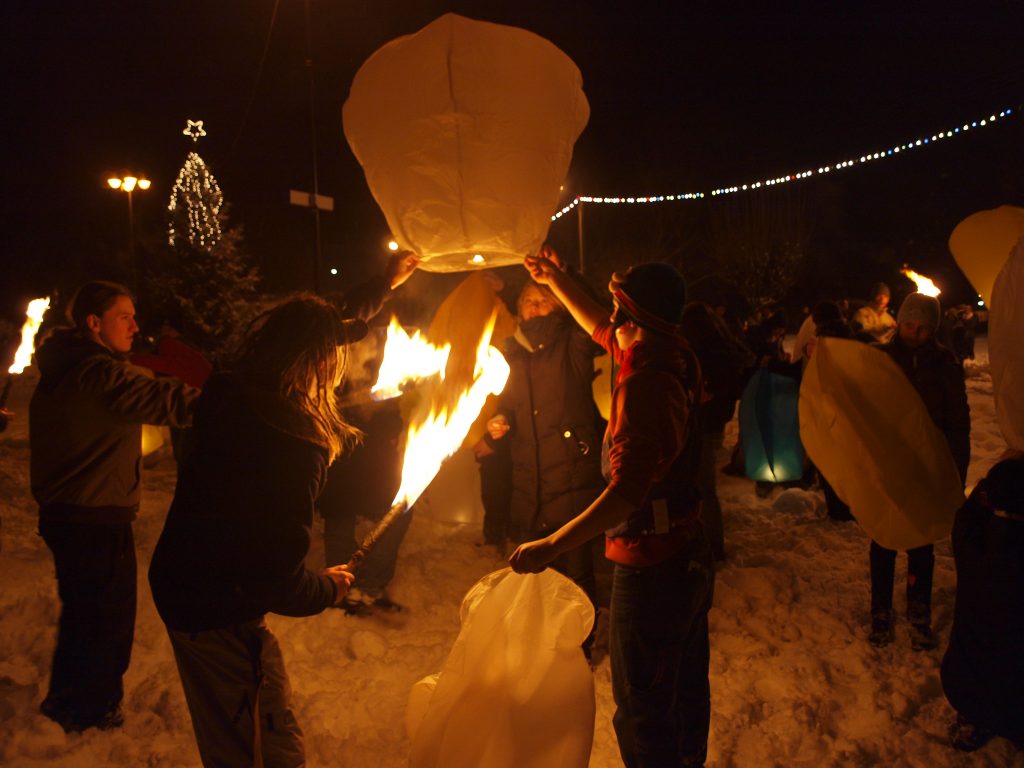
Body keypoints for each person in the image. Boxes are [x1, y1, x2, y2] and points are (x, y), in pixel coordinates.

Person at [510, 257, 713, 768]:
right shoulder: (671, 350)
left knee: (644, 706)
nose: (614, 326)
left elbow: (626, 494)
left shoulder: (647, 385)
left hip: (653, 565)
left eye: (624, 316)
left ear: (641, 325)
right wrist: (555, 279)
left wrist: (551, 545)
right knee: (685, 687)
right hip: (687, 551)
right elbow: (602, 325)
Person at [148, 295, 364, 767]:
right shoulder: (292, 443)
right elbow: (276, 580)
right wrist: (327, 588)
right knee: (263, 751)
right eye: (333, 354)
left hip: (187, 587)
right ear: (318, 360)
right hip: (217, 607)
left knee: (237, 734)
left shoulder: (230, 394)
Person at [29, 280, 199, 733]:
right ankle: (91, 712)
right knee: (106, 621)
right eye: (124, 316)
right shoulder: (97, 372)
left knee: (85, 614)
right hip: (92, 516)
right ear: (94, 323)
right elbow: (164, 400)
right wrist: (232, 403)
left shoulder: (69, 366)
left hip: (77, 512)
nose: (134, 325)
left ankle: (69, 701)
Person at [488, 246, 606, 635]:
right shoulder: (511, 353)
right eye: (528, 301)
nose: (534, 307)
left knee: (575, 573)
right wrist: (500, 419)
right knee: (532, 576)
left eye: (543, 300)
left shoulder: (572, 344)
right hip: (528, 478)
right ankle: (538, 644)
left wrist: (563, 274)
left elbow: (596, 316)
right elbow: (506, 402)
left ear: (558, 306)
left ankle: (579, 646)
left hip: (571, 475)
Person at [868, 292, 970, 650]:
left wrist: (957, 469)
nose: (915, 333)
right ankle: (880, 608)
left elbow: (958, 421)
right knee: (883, 537)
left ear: (933, 329)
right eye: (910, 325)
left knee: (920, 542)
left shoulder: (944, 364)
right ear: (900, 322)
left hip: (928, 464)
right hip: (888, 462)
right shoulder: (879, 358)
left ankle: (919, 606)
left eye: (923, 328)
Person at [940, 452, 1024, 752]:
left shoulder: (971, 544)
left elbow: (965, 515)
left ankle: (974, 720)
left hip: (963, 686)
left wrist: (991, 482)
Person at [680, 301, 751, 560]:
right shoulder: (723, 348)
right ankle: (708, 542)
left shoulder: (702, 353)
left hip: (701, 424)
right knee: (703, 487)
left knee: (703, 488)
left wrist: (704, 394)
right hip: (713, 424)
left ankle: (712, 546)